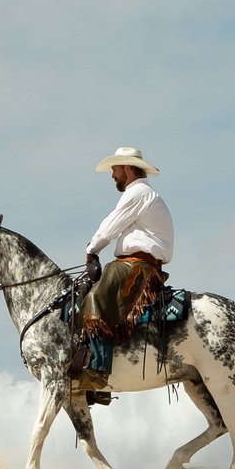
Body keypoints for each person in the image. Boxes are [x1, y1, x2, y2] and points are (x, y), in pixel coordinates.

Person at [82, 146, 176, 347]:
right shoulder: (145, 194)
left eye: (115, 169)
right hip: (142, 264)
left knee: (95, 297)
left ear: (127, 168)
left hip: (136, 265)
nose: (112, 176)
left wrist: (92, 250)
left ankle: (97, 364)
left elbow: (110, 226)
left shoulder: (138, 192)